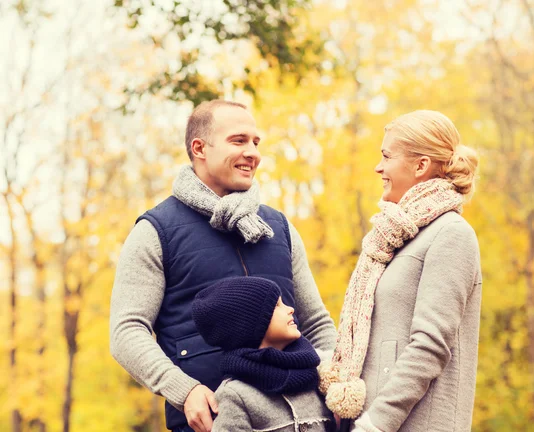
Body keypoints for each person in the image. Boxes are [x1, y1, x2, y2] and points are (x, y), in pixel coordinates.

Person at [110, 100, 337, 432]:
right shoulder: (155, 232)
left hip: (301, 419)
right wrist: (183, 391)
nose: (253, 153)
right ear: (199, 148)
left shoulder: (280, 228)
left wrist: (334, 385)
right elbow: (126, 331)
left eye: (256, 142)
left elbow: (316, 324)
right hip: (211, 423)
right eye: (239, 140)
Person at [318, 110, 482, 432]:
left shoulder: (451, 234)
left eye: (386, 156)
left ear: (420, 166)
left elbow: (430, 346)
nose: (378, 167)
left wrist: (376, 423)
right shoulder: (395, 238)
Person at [191, 276, 335, 431]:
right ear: (249, 326)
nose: (290, 309)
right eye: (277, 306)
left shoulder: (317, 375)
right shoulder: (235, 395)